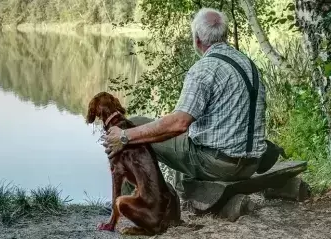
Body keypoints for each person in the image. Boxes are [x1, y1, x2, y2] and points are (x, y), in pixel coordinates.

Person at [102, 8, 269, 203]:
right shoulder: (248, 64)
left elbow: (179, 123)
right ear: (225, 35)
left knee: (133, 125)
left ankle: (131, 203)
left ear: (197, 39)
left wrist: (124, 136)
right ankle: (150, 197)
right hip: (251, 164)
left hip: (220, 165)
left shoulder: (204, 69)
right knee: (163, 133)